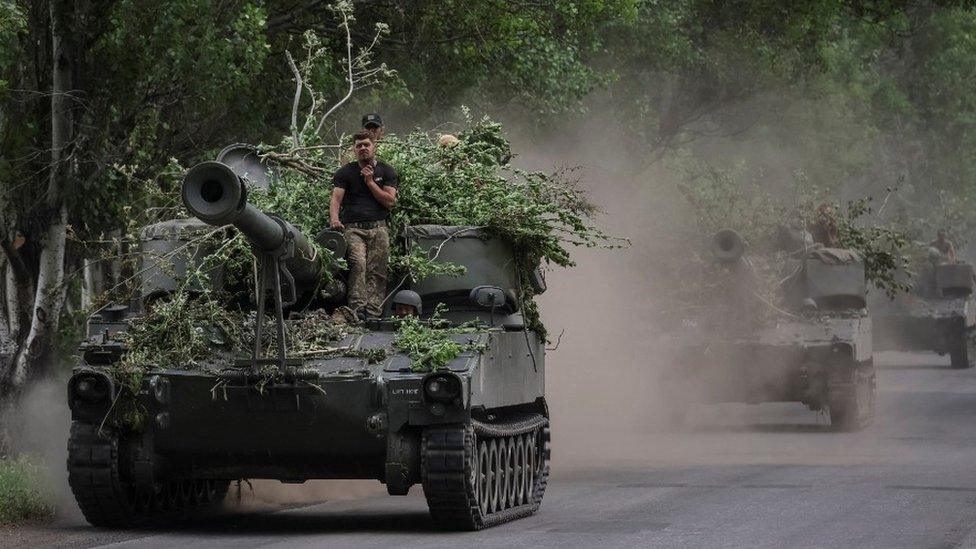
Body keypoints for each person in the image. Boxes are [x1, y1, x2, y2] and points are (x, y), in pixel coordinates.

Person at [330, 131, 398, 319]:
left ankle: (374, 313)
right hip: (353, 228)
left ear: (374, 146)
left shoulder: (387, 171)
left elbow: (390, 202)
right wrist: (334, 218)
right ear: (353, 149)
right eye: (358, 145)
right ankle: (357, 311)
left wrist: (369, 182)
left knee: (378, 269)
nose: (363, 148)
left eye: (366, 144)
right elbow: (336, 199)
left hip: (379, 227)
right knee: (358, 265)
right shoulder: (345, 172)